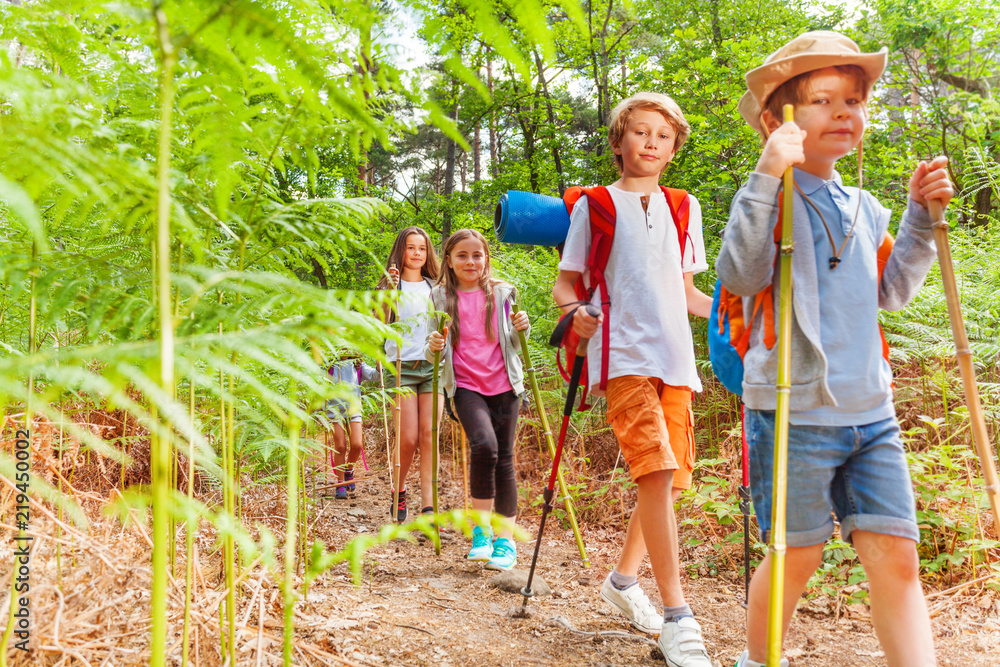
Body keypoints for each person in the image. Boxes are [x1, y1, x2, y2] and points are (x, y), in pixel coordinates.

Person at [716, 31, 953, 667]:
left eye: (855, 100)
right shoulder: (770, 198)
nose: (845, 113)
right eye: (824, 101)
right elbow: (739, 276)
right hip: (794, 413)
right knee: (796, 556)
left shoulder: (864, 206)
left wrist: (919, 214)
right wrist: (768, 173)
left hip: (871, 411)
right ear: (777, 120)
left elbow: (894, 289)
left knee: (897, 556)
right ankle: (757, 659)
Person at [552, 92, 713, 666]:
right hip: (620, 354)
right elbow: (566, 286)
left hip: (676, 357)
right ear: (619, 140)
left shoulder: (683, 205)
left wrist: (742, 316)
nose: (650, 143)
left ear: (673, 148)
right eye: (640, 132)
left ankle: (621, 581)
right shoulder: (594, 206)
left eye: (662, 136)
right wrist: (578, 313)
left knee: (671, 483)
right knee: (656, 466)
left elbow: (690, 292)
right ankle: (677, 618)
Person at [426, 229, 530, 572]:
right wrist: (434, 347)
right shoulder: (440, 297)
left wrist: (522, 328)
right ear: (450, 261)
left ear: (486, 258)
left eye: (477, 255)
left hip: (505, 385)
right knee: (484, 447)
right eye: (462, 256)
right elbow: (431, 356)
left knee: (504, 459)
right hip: (466, 386)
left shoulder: (502, 293)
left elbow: (516, 343)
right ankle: (481, 532)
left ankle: (505, 539)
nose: (471, 261)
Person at [377, 226, 442, 522]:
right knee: (408, 438)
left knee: (430, 436)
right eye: (411, 248)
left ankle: (429, 506)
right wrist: (387, 293)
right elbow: (378, 324)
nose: (417, 254)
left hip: (432, 366)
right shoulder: (391, 285)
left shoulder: (436, 287)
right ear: (400, 250)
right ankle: (399, 491)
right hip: (400, 367)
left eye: (422, 249)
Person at [325, 355, 379, 500]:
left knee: (356, 445)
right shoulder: (329, 364)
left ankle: (349, 469)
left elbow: (376, 376)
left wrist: (379, 361)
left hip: (353, 410)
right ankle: (340, 483)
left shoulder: (358, 365)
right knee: (340, 446)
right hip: (334, 411)